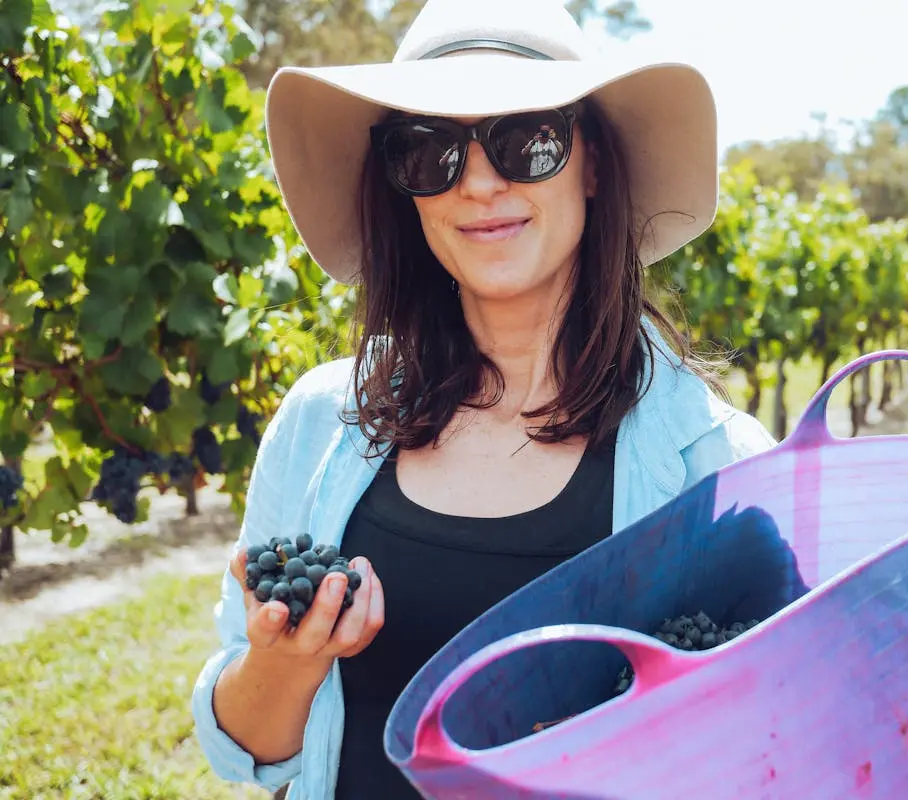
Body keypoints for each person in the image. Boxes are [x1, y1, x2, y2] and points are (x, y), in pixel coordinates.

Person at [189, 0, 776, 797]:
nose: (479, 183)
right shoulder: (321, 421)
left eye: (526, 139)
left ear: (594, 161)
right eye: (430, 152)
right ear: (404, 187)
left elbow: (770, 746)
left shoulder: (718, 464)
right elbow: (248, 753)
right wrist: (284, 662)